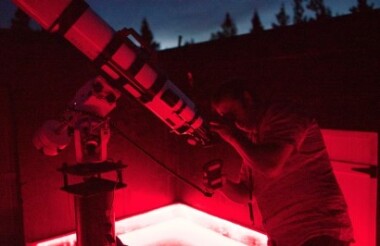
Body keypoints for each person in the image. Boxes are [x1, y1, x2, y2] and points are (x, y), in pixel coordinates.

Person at [207, 80, 354, 246]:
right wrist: (221, 183)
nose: (231, 123)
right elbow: (247, 193)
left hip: (318, 230)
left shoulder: (283, 114)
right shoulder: (251, 139)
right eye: (225, 118)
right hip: (284, 237)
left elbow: (271, 166)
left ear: (247, 99)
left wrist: (233, 137)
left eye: (232, 114)